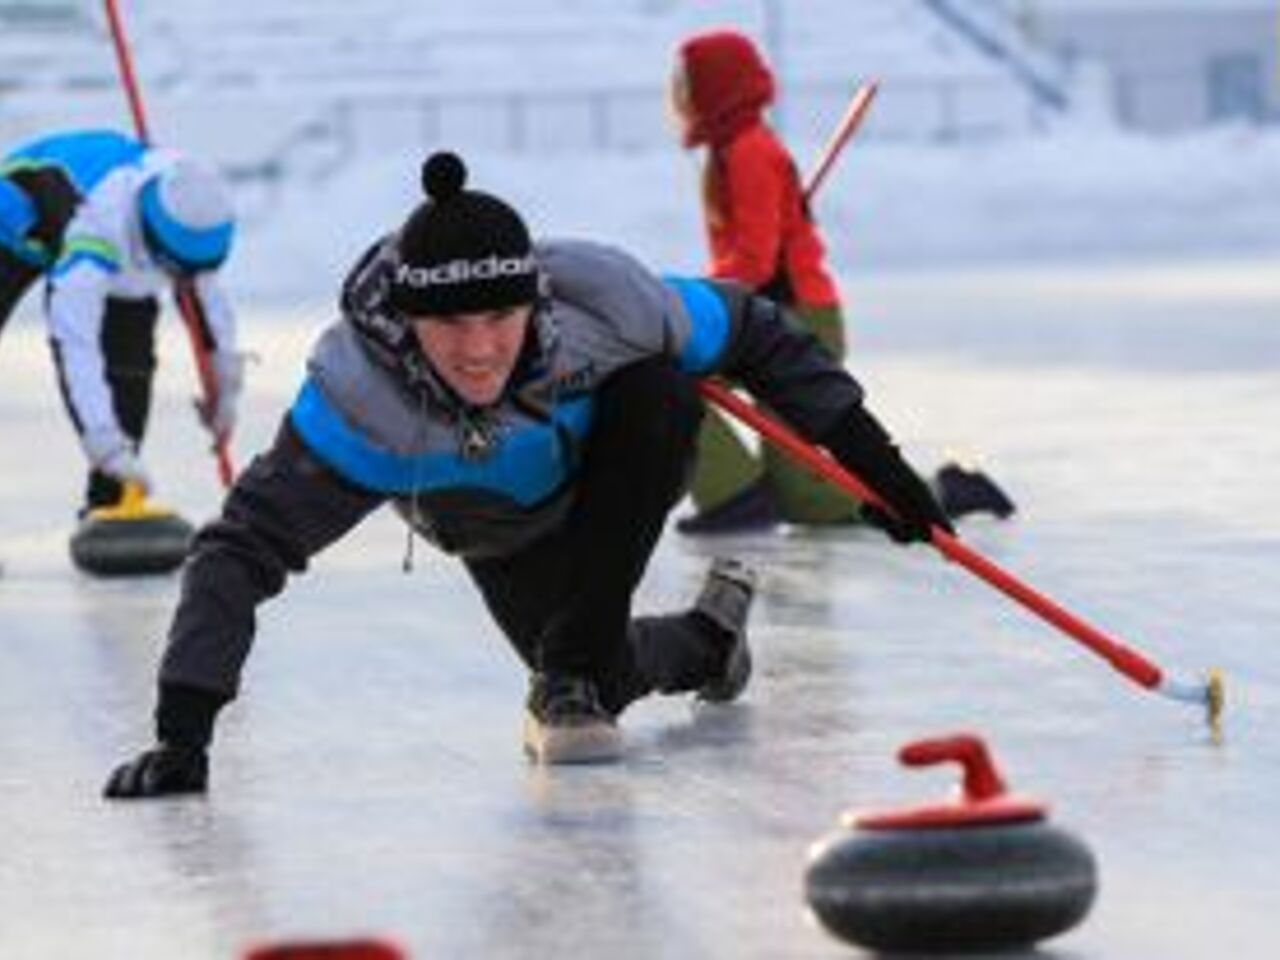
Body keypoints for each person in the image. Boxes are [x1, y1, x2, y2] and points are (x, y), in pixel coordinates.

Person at [103, 151, 953, 799]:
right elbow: (238, 549)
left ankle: (579, 664)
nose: (478, 350)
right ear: (406, 322)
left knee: (656, 393)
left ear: (535, 302)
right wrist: (185, 734)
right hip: (491, 522)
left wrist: (879, 471)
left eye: (501, 317)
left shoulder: (608, 304)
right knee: (595, 679)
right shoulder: (358, 400)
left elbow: (758, 332)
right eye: (448, 325)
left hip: (609, 477)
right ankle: (706, 640)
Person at [668, 29, 859, 534]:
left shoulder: (750, 151)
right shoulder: (734, 149)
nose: (679, 97)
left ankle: (949, 492)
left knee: (809, 499)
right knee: (665, 382)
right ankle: (735, 494)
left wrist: (685, 299)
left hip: (797, 322)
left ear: (716, 87)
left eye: (688, 84)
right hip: (763, 318)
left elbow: (754, 260)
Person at [0, 128, 242, 514]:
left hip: (117, 235)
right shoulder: (94, 236)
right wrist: (105, 447)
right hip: (14, 223)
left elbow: (205, 293)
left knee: (130, 364)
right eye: (178, 271)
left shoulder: (190, 195)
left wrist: (224, 385)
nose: (185, 282)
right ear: (154, 242)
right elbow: (76, 347)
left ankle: (111, 504)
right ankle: (114, 468)